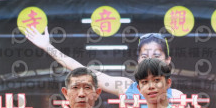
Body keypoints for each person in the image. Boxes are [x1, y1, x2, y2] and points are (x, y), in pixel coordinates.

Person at [24, 27, 182, 100]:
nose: (150, 60)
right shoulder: (126, 87)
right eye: (144, 56)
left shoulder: (176, 97)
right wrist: (48, 47)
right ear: (138, 60)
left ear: (167, 60)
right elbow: (80, 69)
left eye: (156, 55)